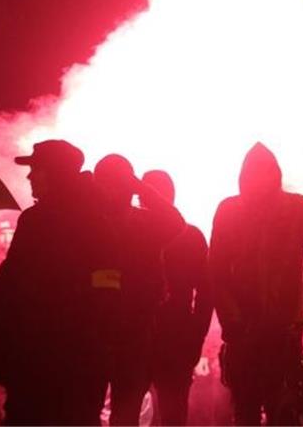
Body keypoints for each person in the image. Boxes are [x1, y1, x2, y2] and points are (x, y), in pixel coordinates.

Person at [210, 142, 303, 425]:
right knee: (267, 409)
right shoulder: (292, 209)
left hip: (273, 332)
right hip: (257, 333)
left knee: (267, 409)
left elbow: (217, 274)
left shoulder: (287, 209)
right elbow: (217, 273)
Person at [0, 139, 126, 426]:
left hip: (38, 362)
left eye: (36, 169)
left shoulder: (36, 222)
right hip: (80, 364)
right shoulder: (99, 223)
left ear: (55, 172)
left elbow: (9, 288)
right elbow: (108, 294)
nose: (29, 176)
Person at [92, 154, 186, 425]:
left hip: (133, 331)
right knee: (89, 410)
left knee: (125, 414)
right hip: (95, 331)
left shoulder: (145, 223)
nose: (108, 191)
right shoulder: (89, 222)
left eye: (114, 183)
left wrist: (138, 186)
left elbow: (175, 222)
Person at [142, 170, 213, 427]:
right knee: (171, 413)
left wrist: (196, 335)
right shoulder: (191, 236)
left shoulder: (132, 232)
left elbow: (206, 291)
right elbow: (206, 292)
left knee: (132, 411)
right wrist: (196, 334)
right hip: (171, 335)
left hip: (157, 335)